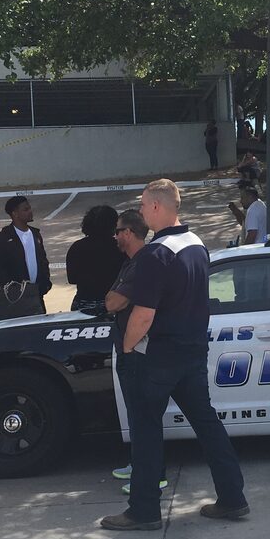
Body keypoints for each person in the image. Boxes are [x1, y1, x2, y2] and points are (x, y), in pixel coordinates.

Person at [101, 180, 248, 530]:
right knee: (208, 425)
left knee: (146, 430)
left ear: (155, 207)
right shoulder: (197, 244)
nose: (139, 211)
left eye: (142, 204)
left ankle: (144, 510)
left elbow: (143, 314)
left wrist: (127, 347)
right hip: (193, 351)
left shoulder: (156, 253)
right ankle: (232, 497)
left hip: (157, 356)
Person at [103, 209, 168, 496]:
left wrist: (128, 348)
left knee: (144, 416)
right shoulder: (131, 262)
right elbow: (111, 299)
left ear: (128, 233)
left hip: (140, 351)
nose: (115, 236)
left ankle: (153, 475)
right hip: (130, 348)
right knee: (135, 413)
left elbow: (113, 302)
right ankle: (139, 464)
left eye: (118, 231)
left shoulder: (144, 262)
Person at [0, 196, 51, 315]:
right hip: (16, 299)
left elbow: (43, 260)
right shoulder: (3, 238)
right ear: (15, 214)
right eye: (26, 209)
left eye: (30, 208)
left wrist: (45, 283)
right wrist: (12, 290)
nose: (30, 211)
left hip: (37, 294)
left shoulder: (35, 234)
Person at [65, 205, 126, 311]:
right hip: (113, 304)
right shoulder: (120, 247)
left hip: (83, 303)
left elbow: (72, 279)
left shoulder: (77, 247)